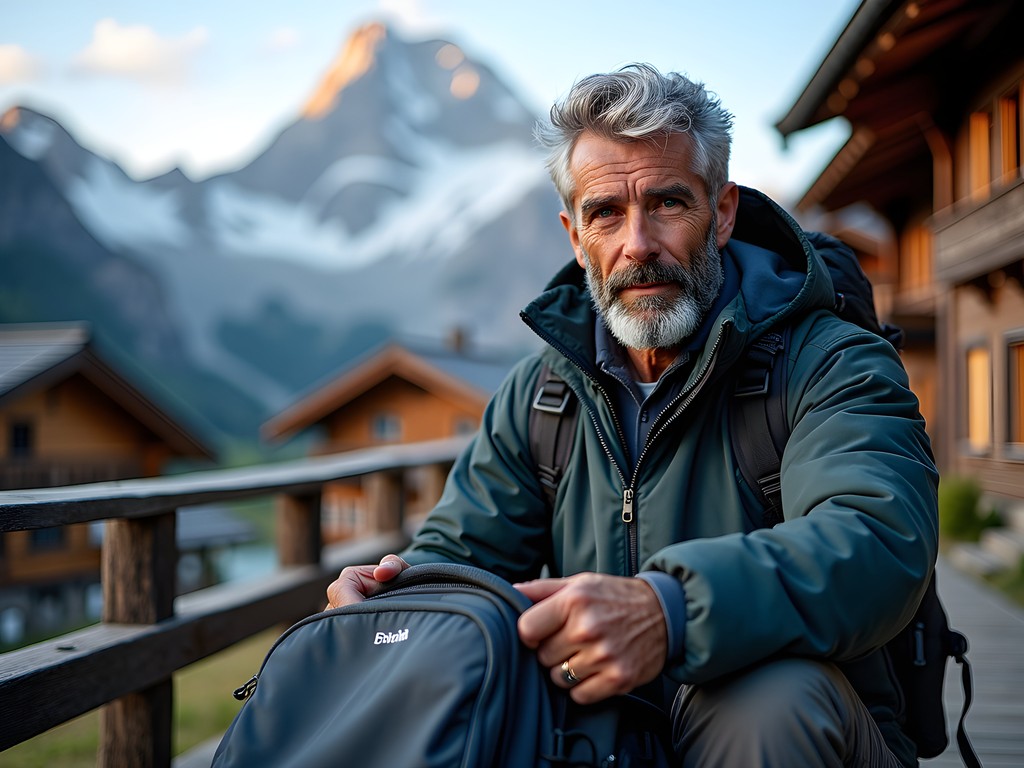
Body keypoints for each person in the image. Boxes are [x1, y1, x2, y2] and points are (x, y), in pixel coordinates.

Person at [327, 63, 937, 767]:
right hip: (598, 736)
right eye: (606, 212)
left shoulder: (831, 361)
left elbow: (876, 539)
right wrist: (388, 602)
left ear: (724, 213)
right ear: (574, 235)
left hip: (803, 740)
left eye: (669, 203)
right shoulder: (539, 396)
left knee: (769, 697)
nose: (637, 244)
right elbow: (459, 559)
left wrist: (670, 611)